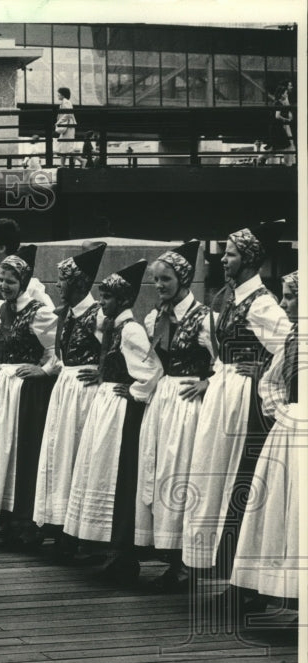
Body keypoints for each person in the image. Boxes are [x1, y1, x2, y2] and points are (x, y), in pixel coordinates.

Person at [183, 220, 289, 608]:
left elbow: (291, 347)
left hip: (246, 403)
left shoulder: (261, 303)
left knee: (239, 481)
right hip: (225, 395)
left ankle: (244, 585)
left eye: (229, 254)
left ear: (248, 259)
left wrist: (263, 371)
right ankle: (229, 574)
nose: (223, 260)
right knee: (217, 476)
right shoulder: (232, 298)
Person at [63, 259, 161, 586]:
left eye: (106, 298)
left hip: (120, 411)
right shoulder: (113, 327)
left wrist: (134, 390)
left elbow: (152, 369)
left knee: (118, 475)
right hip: (106, 405)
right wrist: (103, 374)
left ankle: (122, 552)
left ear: (122, 300)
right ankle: (109, 548)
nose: (101, 303)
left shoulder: (130, 330)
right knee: (101, 472)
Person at [0, 248, 59, 548]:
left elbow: (58, 349)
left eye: (10, 281)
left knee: (21, 452)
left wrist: (44, 370)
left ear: (24, 282)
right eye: (0, 280)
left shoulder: (39, 312)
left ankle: (25, 523)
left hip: (24, 391)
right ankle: (2, 514)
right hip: (0, 388)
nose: (3, 286)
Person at [134, 241, 214, 592]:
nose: (159, 285)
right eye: (155, 280)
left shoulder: (205, 318)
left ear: (183, 279)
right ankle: (168, 552)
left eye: (165, 279)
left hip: (188, 403)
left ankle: (186, 562)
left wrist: (208, 383)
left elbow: (223, 361)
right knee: (160, 470)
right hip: (164, 400)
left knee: (183, 473)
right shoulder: (155, 316)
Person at [229, 271, 298, 618]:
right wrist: (283, 409)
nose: (283, 304)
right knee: (281, 507)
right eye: (283, 296)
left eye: (290, 296)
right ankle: (283, 589)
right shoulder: (293, 339)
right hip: (290, 430)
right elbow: (270, 383)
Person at [32, 242, 107, 553]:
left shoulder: (97, 315)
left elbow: (116, 348)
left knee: (78, 456)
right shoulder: (68, 314)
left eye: (63, 280)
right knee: (60, 455)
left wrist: (104, 372)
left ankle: (81, 534)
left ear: (78, 283)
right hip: (67, 389)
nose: (58, 285)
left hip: (85, 394)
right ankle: (61, 525)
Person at [269, 81, 294, 166]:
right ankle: (288, 164)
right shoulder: (279, 103)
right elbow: (277, 116)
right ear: (282, 94)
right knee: (286, 146)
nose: (287, 94)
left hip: (277, 127)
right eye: (285, 93)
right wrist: (286, 120)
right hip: (278, 128)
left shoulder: (278, 102)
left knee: (277, 147)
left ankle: (260, 158)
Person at [54, 87, 77, 169]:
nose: (58, 95)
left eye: (59, 94)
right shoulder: (65, 102)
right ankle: (62, 165)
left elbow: (68, 114)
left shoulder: (65, 102)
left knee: (67, 147)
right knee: (63, 146)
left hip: (68, 127)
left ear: (63, 95)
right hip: (67, 126)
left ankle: (81, 160)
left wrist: (59, 122)